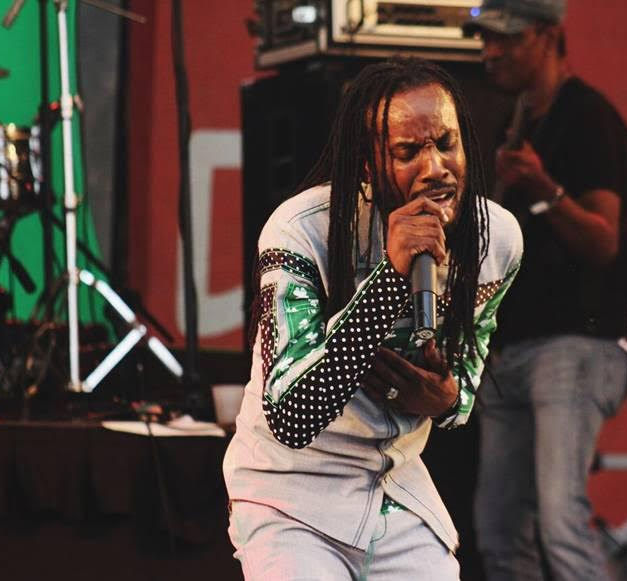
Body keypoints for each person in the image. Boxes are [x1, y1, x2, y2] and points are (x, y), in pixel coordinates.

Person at [223, 57, 523, 580]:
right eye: (408, 152)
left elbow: (463, 392)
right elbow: (293, 416)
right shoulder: (300, 231)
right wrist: (391, 277)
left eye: (446, 143)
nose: (435, 168)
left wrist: (445, 399)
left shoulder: (495, 239)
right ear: (366, 165)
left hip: (392, 486)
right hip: (290, 491)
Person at [464, 1, 627, 579]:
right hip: (510, 350)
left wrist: (542, 187)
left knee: (561, 522)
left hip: (572, 347)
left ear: (547, 36)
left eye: (505, 39)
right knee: (498, 530)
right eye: (485, 39)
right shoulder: (515, 120)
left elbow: (604, 240)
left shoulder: (588, 116)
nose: (490, 52)